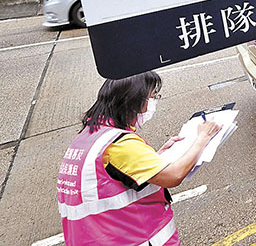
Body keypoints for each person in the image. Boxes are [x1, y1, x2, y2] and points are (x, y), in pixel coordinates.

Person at [58, 72, 221, 245]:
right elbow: (174, 175)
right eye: (152, 97)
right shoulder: (119, 145)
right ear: (131, 100)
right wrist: (203, 138)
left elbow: (113, 180)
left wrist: (155, 158)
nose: (153, 103)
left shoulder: (91, 137)